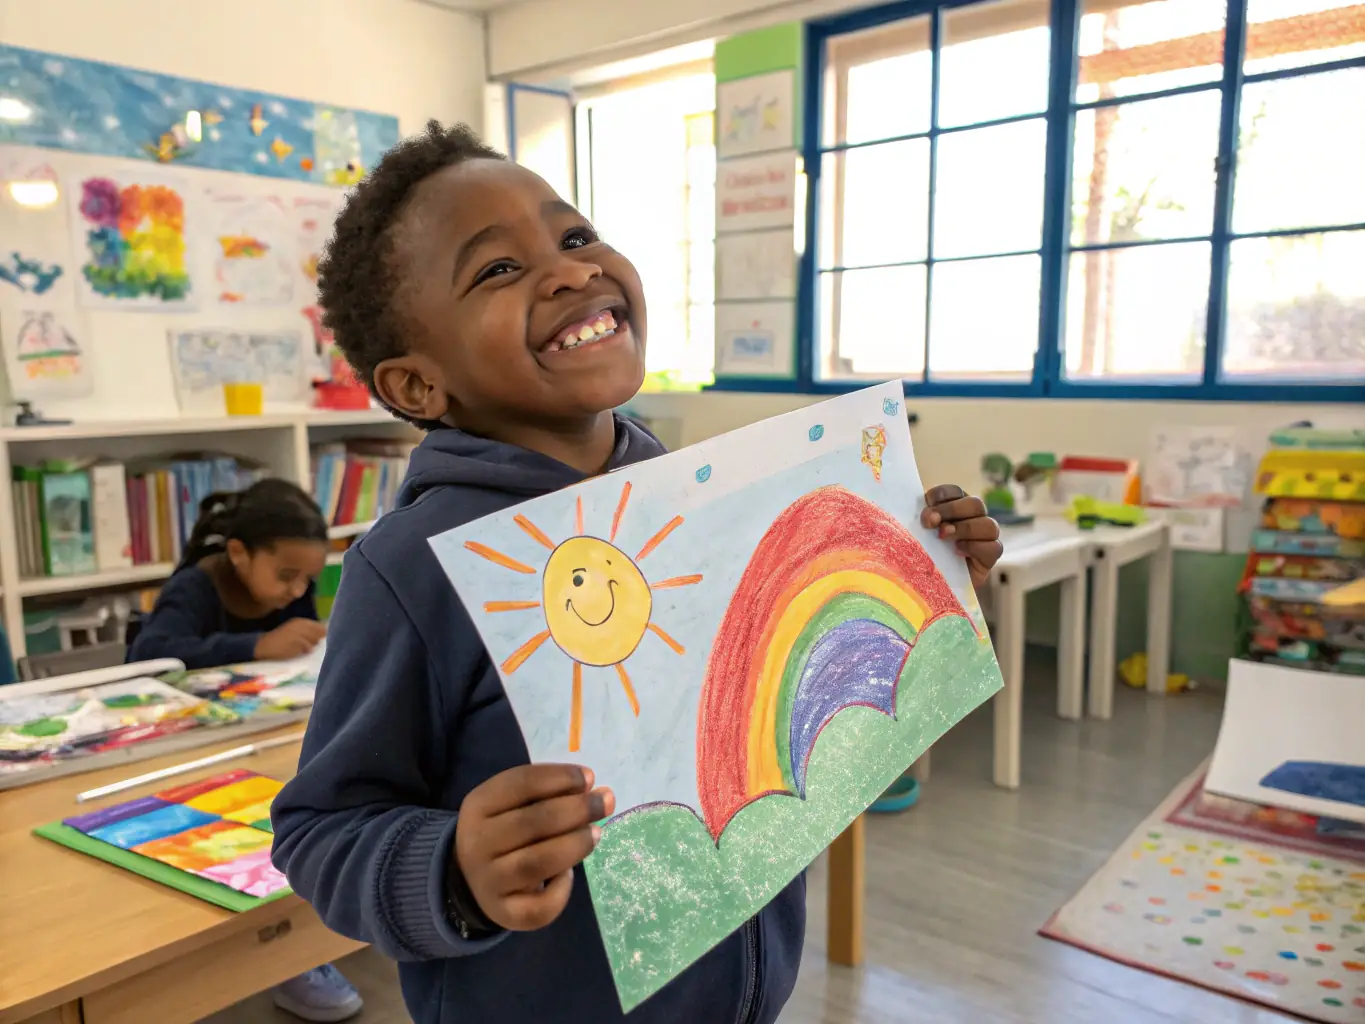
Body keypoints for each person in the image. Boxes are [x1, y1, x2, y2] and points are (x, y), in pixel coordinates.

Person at [270, 121, 1004, 1024]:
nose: (572, 270)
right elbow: (321, 831)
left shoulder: (696, 502)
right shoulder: (407, 571)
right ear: (418, 386)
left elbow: (770, 709)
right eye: (498, 269)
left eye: (574, 237)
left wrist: (930, 577)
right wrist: (453, 868)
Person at [127, 479, 363, 1023]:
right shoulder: (195, 587)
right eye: (286, 575)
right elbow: (152, 654)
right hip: (188, 755)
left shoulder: (291, 589)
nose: (296, 589)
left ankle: (298, 953)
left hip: (267, 737)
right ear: (238, 553)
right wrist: (252, 646)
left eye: (307, 577)